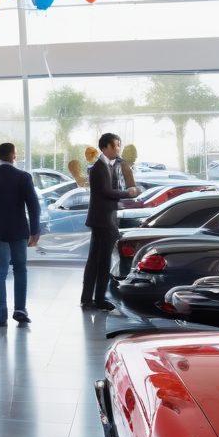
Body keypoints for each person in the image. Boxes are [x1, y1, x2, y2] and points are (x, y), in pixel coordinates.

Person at [0, 142, 40, 327]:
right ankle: (20, 310)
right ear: (13, 156)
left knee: (0, 271)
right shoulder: (23, 177)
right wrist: (35, 230)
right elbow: (34, 206)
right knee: (20, 269)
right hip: (19, 230)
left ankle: (1, 316)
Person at [82, 132, 140, 311]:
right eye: (115, 145)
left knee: (97, 260)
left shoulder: (111, 165)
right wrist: (128, 193)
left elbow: (113, 188)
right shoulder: (98, 168)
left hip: (105, 219)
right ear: (105, 147)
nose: (118, 149)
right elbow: (106, 192)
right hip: (102, 220)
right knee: (102, 260)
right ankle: (97, 299)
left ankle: (90, 298)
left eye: (119, 145)